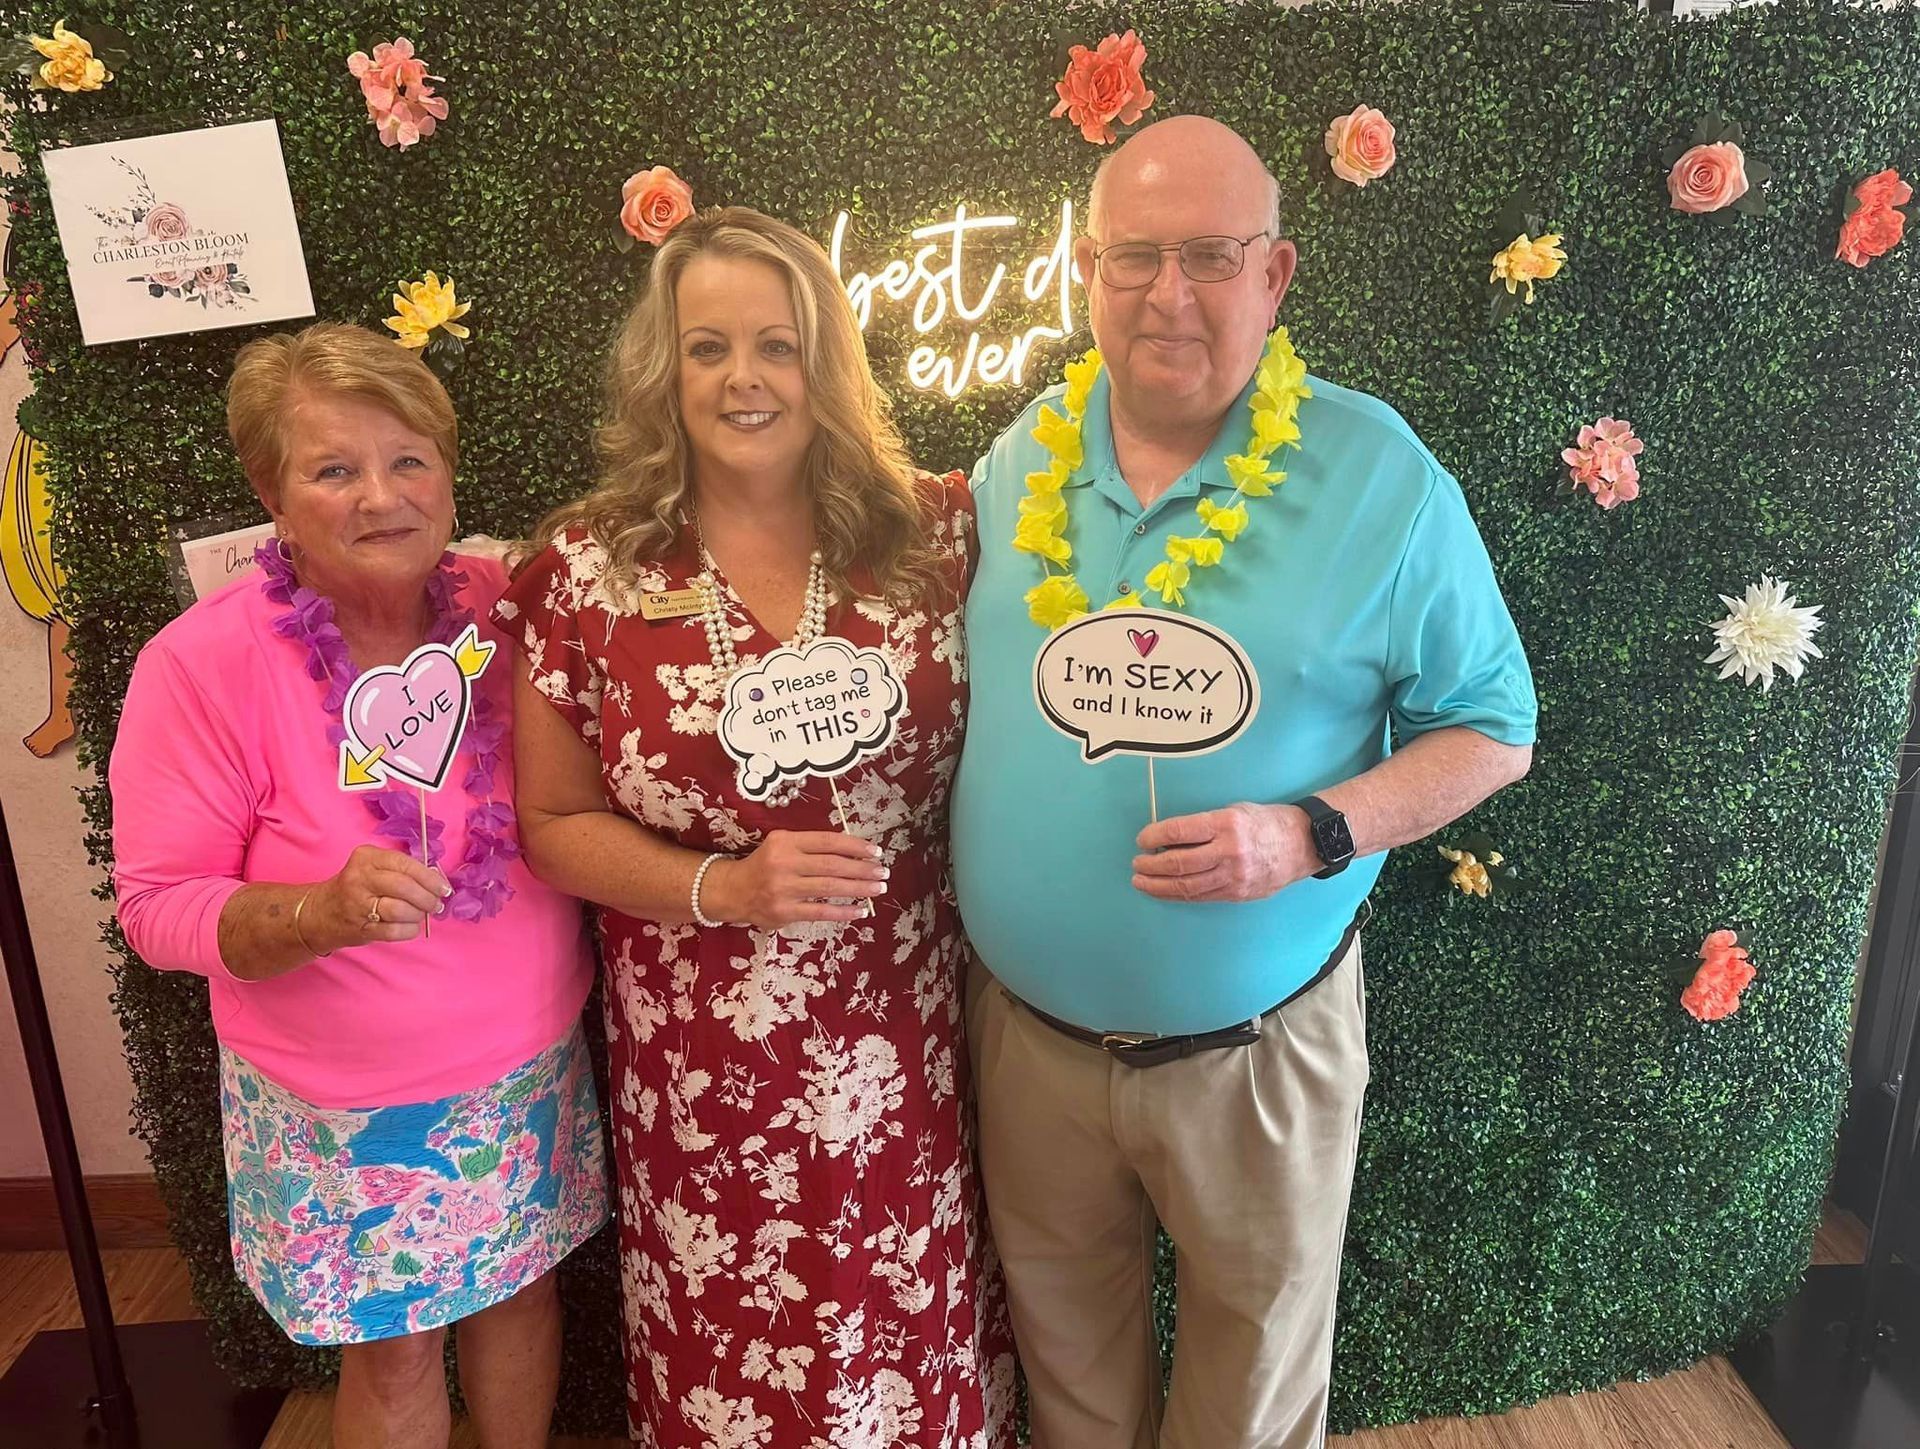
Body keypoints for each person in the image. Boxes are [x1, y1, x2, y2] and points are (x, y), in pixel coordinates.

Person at [952, 116, 1538, 1449]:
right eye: (1136, 256)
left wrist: (1314, 831)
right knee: (1070, 1381)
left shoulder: (1379, 476)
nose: (1169, 293)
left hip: (1258, 1059)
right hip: (1032, 1048)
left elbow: (1495, 728)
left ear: (1274, 276)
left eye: (1211, 256)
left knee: (1253, 1398)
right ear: (1088, 273)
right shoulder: (1023, 456)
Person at [499, 205, 1014, 1447]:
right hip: (703, 1060)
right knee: (738, 1338)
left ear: (826, 361)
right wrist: (719, 888)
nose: (745, 378)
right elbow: (552, 822)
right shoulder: (588, 569)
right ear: (663, 371)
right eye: (708, 347)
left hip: (914, 1036)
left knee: (909, 1323)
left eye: (778, 345)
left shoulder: (938, 533)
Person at [109, 322, 608, 1449]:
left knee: (523, 1293)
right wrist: (314, 913)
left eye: (408, 460)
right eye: (335, 469)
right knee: (395, 1353)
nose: (382, 497)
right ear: (271, 494)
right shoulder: (201, 664)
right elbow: (156, 907)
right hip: (345, 1108)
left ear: (447, 473)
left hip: (529, 1061)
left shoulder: (506, 609)